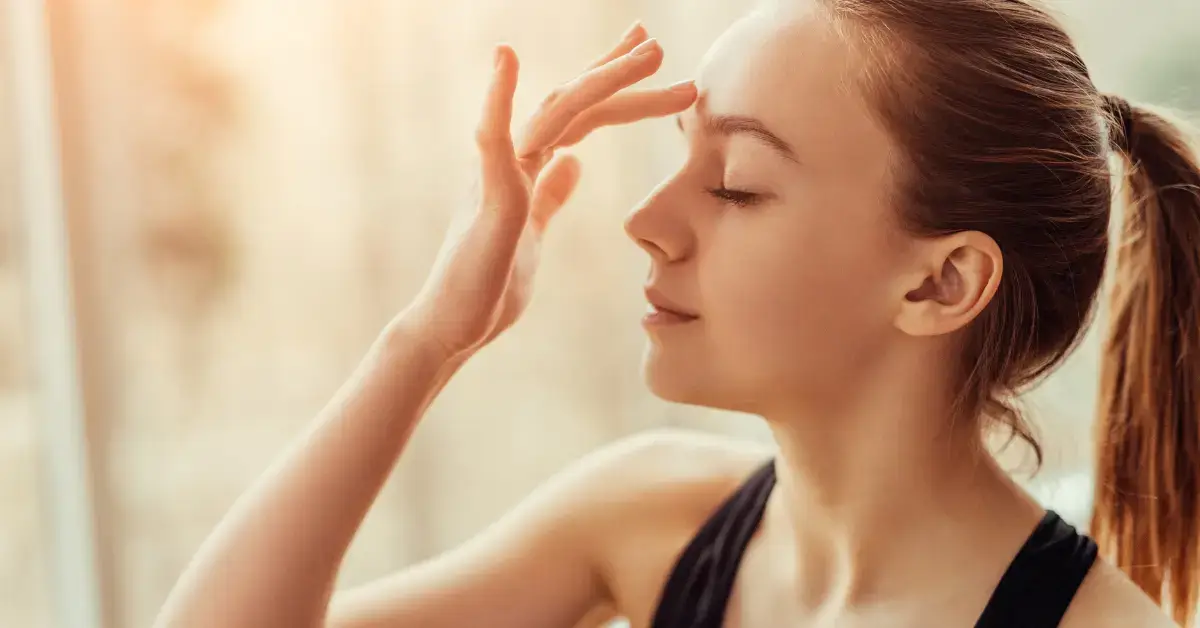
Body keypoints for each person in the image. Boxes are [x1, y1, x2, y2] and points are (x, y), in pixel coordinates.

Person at [152, 1, 1200, 626]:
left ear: (940, 284)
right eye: (677, 165)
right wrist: (429, 337)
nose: (649, 222)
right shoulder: (653, 518)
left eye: (736, 183)